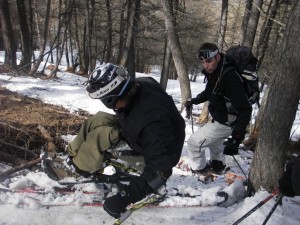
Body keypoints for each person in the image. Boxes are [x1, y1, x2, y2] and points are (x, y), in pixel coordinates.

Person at [85, 63, 185, 218]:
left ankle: (82, 167)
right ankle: (77, 160)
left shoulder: (153, 124)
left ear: (111, 99)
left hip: (159, 150)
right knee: (99, 118)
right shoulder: (141, 84)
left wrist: (124, 198)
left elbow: (160, 172)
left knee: (104, 135)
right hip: (141, 131)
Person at [185, 42, 252, 174]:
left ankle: (199, 171)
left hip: (227, 122)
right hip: (220, 117)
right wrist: (194, 101)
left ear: (217, 57)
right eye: (202, 62)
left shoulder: (229, 77)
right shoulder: (216, 72)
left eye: (209, 61)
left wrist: (236, 139)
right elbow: (209, 92)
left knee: (194, 143)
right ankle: (218, 166)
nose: (206, 65)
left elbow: (245, 109)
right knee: (215, 145)